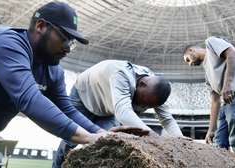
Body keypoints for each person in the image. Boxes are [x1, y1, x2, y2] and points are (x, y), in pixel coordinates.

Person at [0, 2, 112, 167]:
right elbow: (28, 98)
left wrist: (101, 133)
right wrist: (86, 137)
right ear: (40, 26)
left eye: (71, 43)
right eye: (64, 38)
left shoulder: (53, 71)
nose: (67, 48)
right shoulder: (7, 43)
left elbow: (66, 109)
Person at [53, 60, 183, 168]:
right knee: (70, 141)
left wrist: (180, 140)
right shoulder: (121, 75)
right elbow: (123, 113)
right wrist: (153, 136)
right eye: (144, 101)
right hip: (83, 97)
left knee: (104, 145)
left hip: (107, 110)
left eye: (148, 106)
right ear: (141, 84)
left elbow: (167, 119)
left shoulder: (155, 90)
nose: (143, 107)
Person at [183, 36, 235, 168]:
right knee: (219, 144)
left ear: (191, 50)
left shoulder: (210, 43)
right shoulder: (207, 75)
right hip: (227, 103)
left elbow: (233, 54)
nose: (189, 64)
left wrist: (227, 85)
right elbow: (215, 101)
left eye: (188, 60)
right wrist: (210, 129)